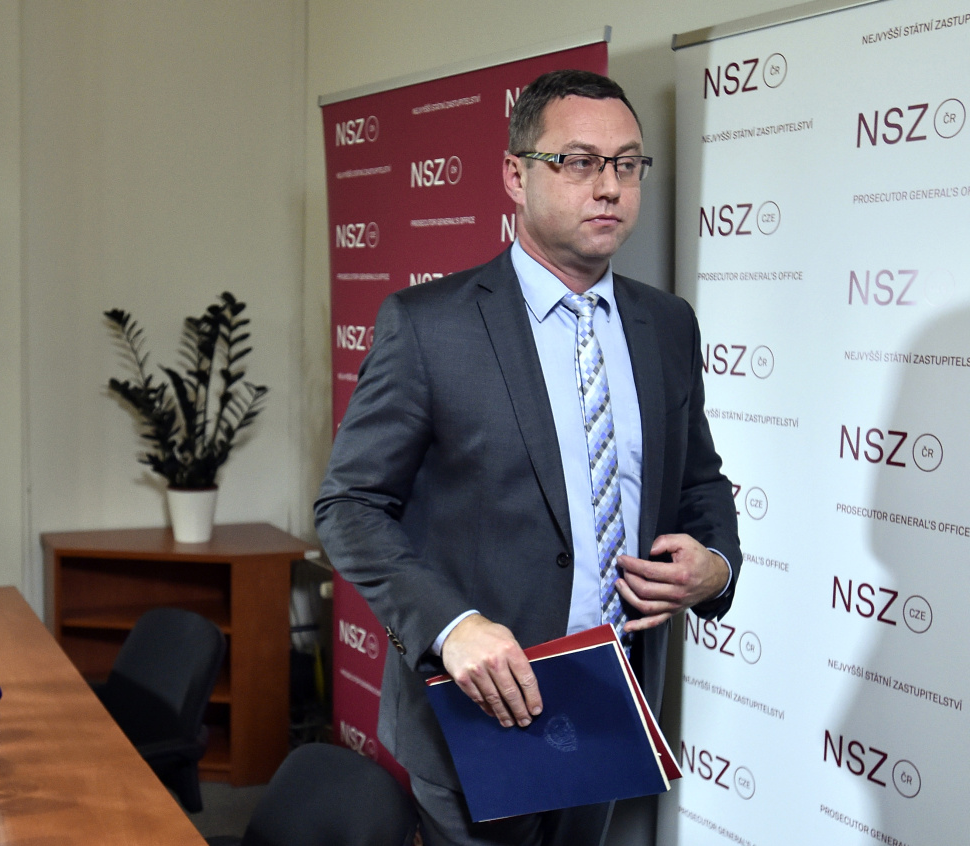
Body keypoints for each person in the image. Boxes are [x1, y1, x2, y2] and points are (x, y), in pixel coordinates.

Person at [314, 69, 741, 846]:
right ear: (516, 176)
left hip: (608, 704)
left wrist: (715, 564)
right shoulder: (429, 325)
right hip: (473, 712)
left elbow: (700, 480)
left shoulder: (668, 324)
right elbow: (349, 507)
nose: (608, 186)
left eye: (627, 164)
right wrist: (451, 625)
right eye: (578, 162)